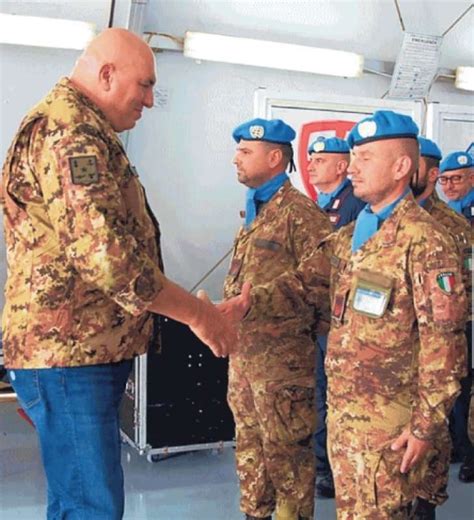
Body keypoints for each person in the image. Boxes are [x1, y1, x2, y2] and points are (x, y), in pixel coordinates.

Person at [1, 28, 250, 519]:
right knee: (89, 506)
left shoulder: (80, 126)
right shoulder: (70, 132)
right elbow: (107, 260)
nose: (151, 101)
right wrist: (198, 316)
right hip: (71, 355)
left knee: (80, 498)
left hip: (79, 351)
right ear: (107, 74)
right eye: (145, 85)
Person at [322, 110, 468, 519]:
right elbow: (304, 284)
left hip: (392, 430)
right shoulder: (354, 235)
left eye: (365, 157)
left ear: (402, 166)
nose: (351, 167)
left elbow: (446, 347)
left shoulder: (427, 241)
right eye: (354, 156)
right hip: (347, 421)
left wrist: (425, 428)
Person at [224, 118, 333, 520]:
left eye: (245, 152)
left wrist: (256, 306)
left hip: (283, 369)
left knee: (288, 463)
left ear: (274, 158)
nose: (236, 158)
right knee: (250, 451)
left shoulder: (301, 215)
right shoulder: (257, 209)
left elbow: (321, 285)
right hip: (246, 360)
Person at [410, 136, 473, 518]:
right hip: (391, 353)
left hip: (439, 342)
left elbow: (463, 288)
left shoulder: (451, 226)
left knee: (439, 419)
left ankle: (427, 500)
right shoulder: (378, 220)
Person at [307, 135, 364, 498]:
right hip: (321, 315)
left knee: (338, 396)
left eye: (320, 159)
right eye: (311, 159)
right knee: (320, 392)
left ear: (342, 166)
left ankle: (332, 469)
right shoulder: (318, 204)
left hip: (343, 319)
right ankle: (321, 464)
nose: (311, 164)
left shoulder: (355, 205)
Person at [308, 136, 365, 228]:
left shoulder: (358, 201)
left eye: (319, 161)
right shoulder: (313, 203)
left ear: (340, 167)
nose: (309, 168)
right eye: (311, 160)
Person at [438, 151, 474, 223]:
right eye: (443, 179)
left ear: (472, 179)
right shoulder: (446, 208)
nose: (449, 186)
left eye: (456, 179)